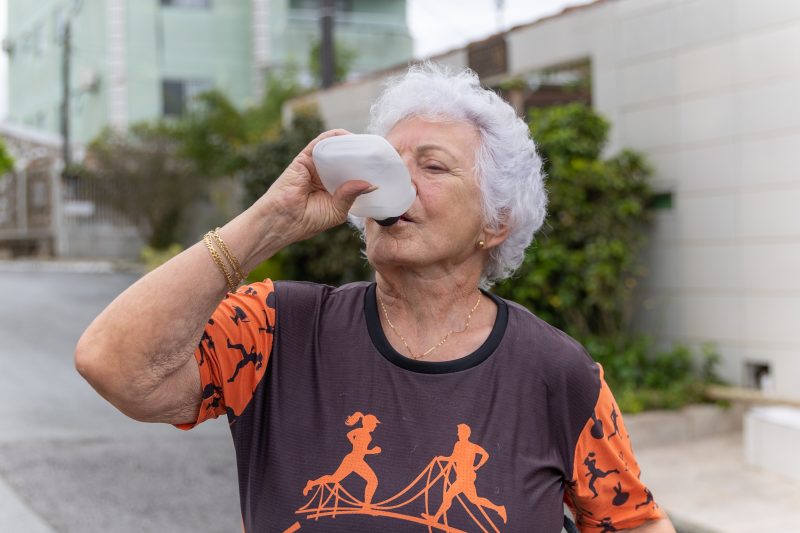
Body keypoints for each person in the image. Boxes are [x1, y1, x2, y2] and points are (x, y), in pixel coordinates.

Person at [76, 62, 675, 533]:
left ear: (495, 221)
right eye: (388, 161)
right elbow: (115, 365)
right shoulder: (276, 329)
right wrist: (268, 223)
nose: (396, 183)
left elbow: (635, 522)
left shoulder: (554, 373)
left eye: (433, 167)